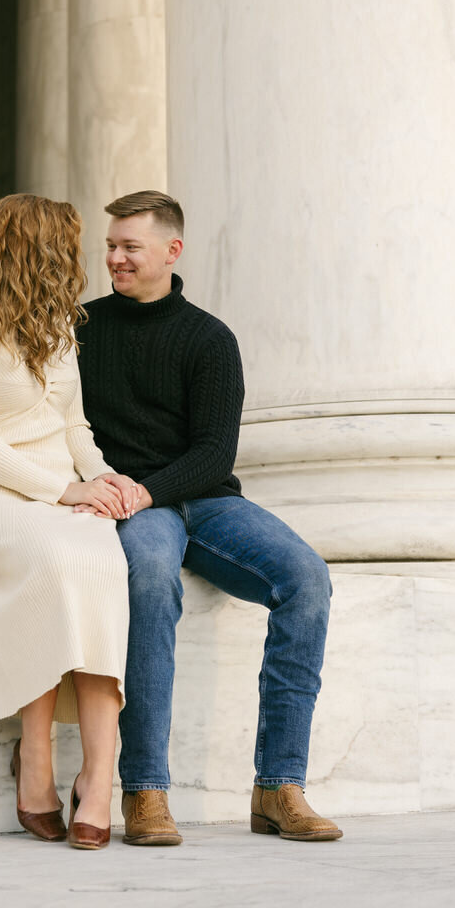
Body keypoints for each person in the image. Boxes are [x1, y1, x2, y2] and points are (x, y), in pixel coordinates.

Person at [75, 190, 342, 845]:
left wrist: (149, 490)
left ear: (172, 251)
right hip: (137, 506)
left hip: (206, 500)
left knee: (307, 578)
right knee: (149, 578)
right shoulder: (81, 328)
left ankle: (279, 784)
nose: (114, 258)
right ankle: (145, 790)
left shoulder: (209, 339)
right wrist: (115, 491)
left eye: (129, 247)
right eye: (111, 246)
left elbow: (214, 452)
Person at [0, 193, 138, 849]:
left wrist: (100, 479)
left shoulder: (57, 323)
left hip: (57, 492)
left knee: (103, 560)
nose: (73, 259)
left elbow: (73, 425)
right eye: (64, 245)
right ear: (33, 247)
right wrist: (65, 493)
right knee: (56, 561)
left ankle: (100, 778)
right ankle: (35, 759)